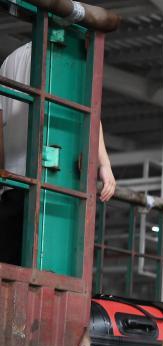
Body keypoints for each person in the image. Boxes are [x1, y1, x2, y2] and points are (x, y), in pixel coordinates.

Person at [0, 42, 115, 265]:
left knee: (8, 266)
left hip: (12, 184)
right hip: (49, 186)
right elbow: (91, 110)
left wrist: (3, 177)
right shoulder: (64, 55)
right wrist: (105, 164)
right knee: (46, 264)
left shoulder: (10, 60)